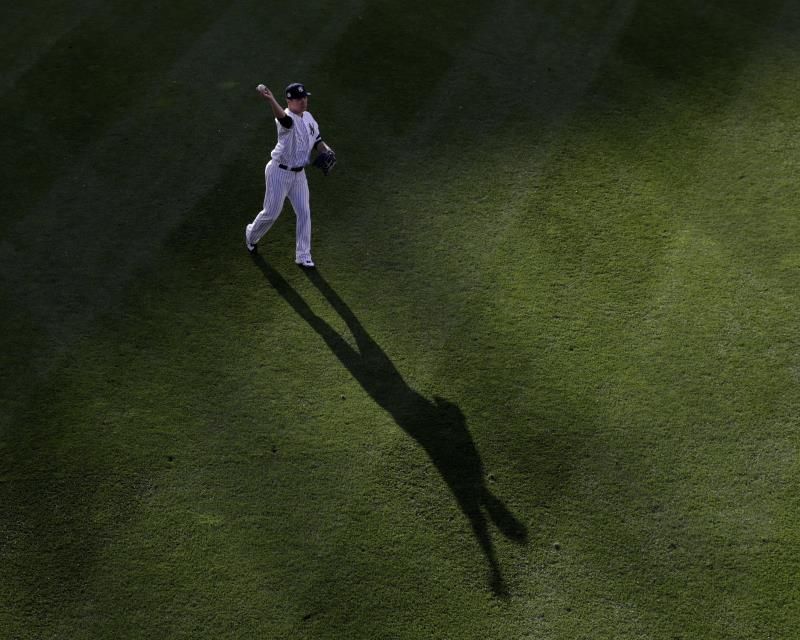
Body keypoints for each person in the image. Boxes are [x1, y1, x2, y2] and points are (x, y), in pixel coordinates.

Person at [245, 82, 333, 268]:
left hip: (299, 175)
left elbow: (318, 140)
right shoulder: (286, 119)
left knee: (304, 212)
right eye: (298, 99)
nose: (303, 101)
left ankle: (303, 255)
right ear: (289, 101)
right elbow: (284, 119)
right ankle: (251, 234)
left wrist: (326, 151)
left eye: (304, 97)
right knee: (271, 213)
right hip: (279, 172)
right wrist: (271, 100)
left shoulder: (308, 117)